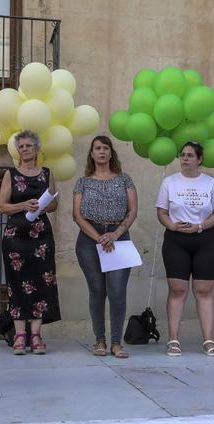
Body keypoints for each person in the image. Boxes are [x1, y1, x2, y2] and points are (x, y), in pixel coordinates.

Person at [156, 141, 214, 357]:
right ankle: (174, 340)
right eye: (182, 155)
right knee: (178, 290)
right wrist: (171, 226)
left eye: (189, 155)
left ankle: (208, 340)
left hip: (205, 240)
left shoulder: (211, 183)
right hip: (176, 240)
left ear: (199, 159)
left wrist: (199, 226)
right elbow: (162, 211)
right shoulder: (170, 182)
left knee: (203, 291)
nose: (184, 158)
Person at [73, 136, 138, 359]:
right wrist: (99, 237)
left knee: (117, 292)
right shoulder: (82, 182)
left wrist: (115, 234)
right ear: (91, 154)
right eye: (97, 148)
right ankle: (99, 340)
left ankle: (116, 342)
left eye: (105, 148)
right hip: (89, 240)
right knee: (97, 291)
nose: (101, 151)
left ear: (111, 153)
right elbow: (77, 215)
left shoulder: (124, 179)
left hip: (118, 239)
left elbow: (132, 211)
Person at [0, 130, 61, 355]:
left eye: (28, 146)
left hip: (41, 237)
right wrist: (24, 205)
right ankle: (19, 336)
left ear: (37, 149)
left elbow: (54, 204)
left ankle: (36, 336)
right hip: (16, 238)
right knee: (17, 285)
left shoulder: (46, 173)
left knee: (42, 282)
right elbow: (3, 206)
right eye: (21, 146)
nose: (25, 149)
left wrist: (42, 206)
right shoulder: (11, 174)